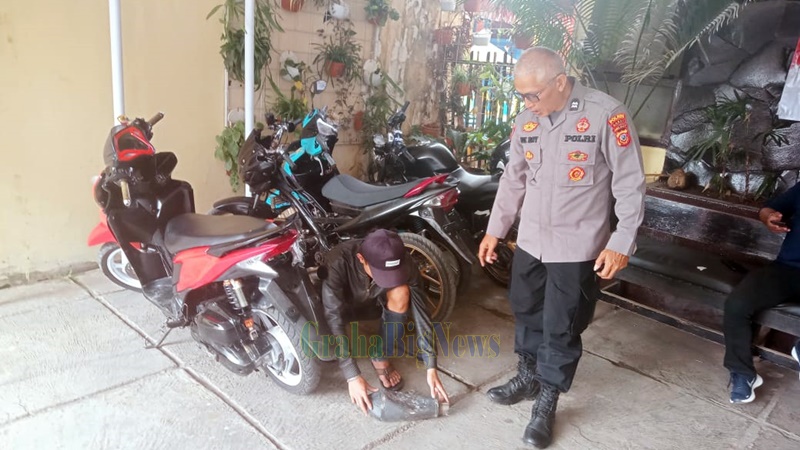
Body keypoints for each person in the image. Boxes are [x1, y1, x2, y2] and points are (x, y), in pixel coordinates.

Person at [478, 47, 646, 448]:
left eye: (532, 95)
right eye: (521, 95)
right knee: (525, 308)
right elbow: (514, 179)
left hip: (577, 245)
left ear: (559, 82)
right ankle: (528, 376)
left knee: (562, 323)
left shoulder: (606, 115)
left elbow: (630, 183)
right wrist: (494, 230)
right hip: (531, 240)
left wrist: (622, 241)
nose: (527, 104)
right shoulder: (526, 121)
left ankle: (547, 399)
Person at [320, 229, 450, 414]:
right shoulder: (337, 261)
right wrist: (352, 375)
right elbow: (333, 317)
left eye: (393, 273)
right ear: (361, 258)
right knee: (324, 336)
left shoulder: (404, 261)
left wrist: (431, 366)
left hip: (375, 304)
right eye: (382, 273)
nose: (389, 279)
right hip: (343, 307)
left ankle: (379, 354)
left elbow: (422, 312)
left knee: (401, 290)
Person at [724, 183, 800, 404]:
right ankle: (742, 373)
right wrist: (770, 218)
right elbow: (768, 209)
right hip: (786, 269)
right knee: (737, 303)